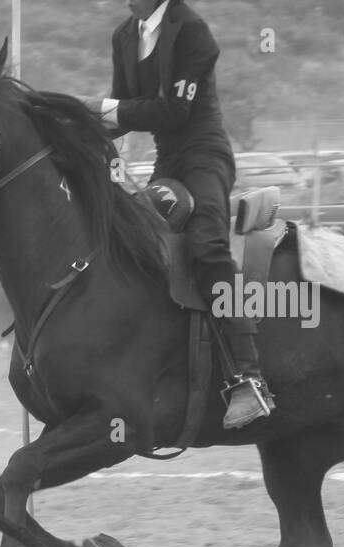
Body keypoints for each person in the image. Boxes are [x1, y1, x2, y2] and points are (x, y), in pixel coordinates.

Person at [83, 0, 273, 428]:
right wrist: (73, 117)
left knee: (206, 245)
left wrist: (99, 107)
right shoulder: (123, 36)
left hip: (205, 156)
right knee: (129, 243)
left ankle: (248, 377)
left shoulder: (192, 31)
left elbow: (173, 110)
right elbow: (122, 110)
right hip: (167, 162)